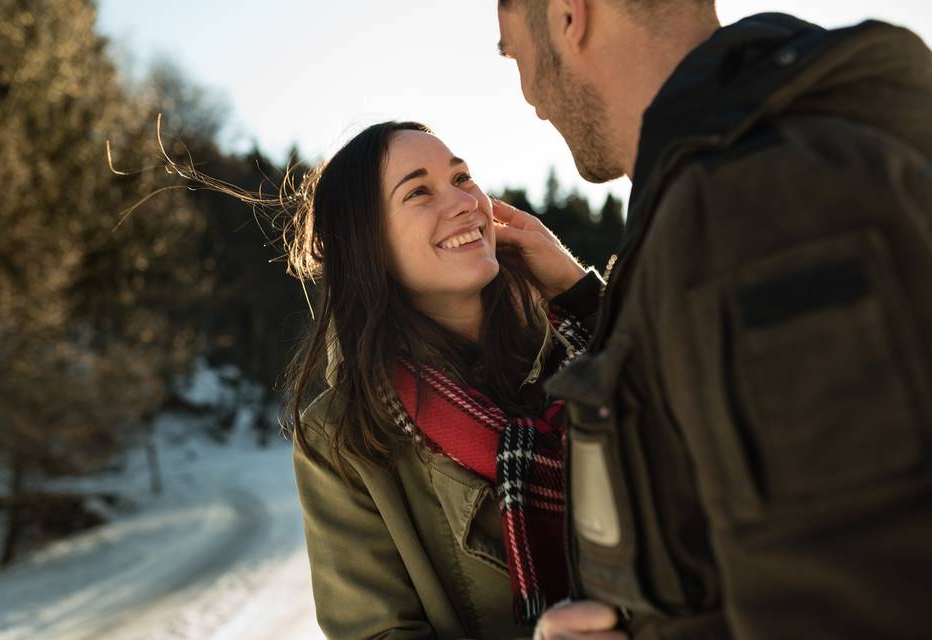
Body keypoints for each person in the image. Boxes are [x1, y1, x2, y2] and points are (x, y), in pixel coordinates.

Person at [496, 1, 932, 638]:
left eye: (516, 57)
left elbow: (860, 603)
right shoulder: (739, 182)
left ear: (569, 17)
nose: (530, 95)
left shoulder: (755, 204)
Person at [288, 120, 604, 639]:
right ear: (370, 246)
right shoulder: (340, 436)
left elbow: (701, 426)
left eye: (462, 178)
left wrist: (582, 296)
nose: (463, 202)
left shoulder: (577, 343)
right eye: (418, 192)